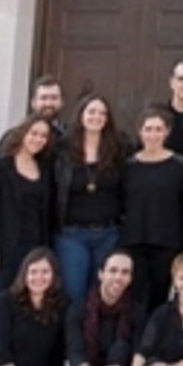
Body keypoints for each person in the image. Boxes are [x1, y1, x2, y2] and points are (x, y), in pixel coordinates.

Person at [53, 93, 125, 307]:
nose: (97, 117)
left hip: (108, 233)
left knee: (102, 295)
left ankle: (96, 340)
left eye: (102, 113)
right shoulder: (62, 151)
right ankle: (74, 340)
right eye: (91, 112)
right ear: (81, 115)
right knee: (74, 294)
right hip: (72, 235)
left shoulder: (117, 149)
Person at [120, 106, 183, 316]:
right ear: (140, 132)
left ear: (167, 132)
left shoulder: (179, 165)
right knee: (135, 299)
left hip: (166, 241)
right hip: (134, 240)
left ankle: (155, 344)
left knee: (160, 298)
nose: (153, 134)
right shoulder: (128, 165)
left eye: (158, 129)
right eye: (148, 129)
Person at [0, 115, 55, 298]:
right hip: (8, 247)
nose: (38, 139)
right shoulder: (0, 167)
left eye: (44, 136)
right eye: (34, 133)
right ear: (23, 133)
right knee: (4, 299)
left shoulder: (45, 168)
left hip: (36, 246)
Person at [66, 249, 137, 366]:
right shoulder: (79, 309)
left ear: (131, 278)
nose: (118, 277)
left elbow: (141, 357)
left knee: (121, 347)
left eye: (125, 272)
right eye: (113, 271)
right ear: (100, 274)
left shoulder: (137, 311)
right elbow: (75, 355)